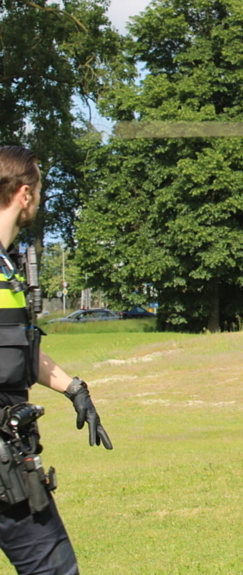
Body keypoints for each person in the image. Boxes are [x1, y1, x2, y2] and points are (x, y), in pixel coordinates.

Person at [0, 147, 112, 574]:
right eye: (40, 191)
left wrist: (73, 388)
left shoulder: (7, 267)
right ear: (24, 193)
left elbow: (17, 345)